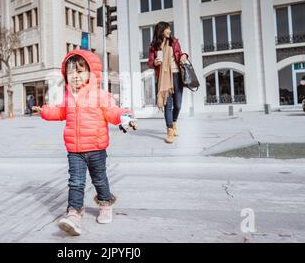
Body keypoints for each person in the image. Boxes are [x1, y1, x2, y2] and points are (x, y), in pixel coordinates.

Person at [32, 49, 137, 236]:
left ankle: (105, 205)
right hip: (74, 150)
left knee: (99, 179)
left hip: (96, 148)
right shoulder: (67, 96)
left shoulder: (100, 95)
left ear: (91, 73)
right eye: (70, 72)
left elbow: (112, 112)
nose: (75, 76)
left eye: (79, 71)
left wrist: (124, 116)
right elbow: (60, 112)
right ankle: (74, 213)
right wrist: (44, 112)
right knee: (76, 182)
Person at [148, 22, 189, 144]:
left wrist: (184, 55)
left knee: (178, 105)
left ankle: (174, 122)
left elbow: (180, 53)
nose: (169, 31)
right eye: (167, 29)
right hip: (163, 78)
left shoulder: (174, 42)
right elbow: (150, 62)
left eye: (169, 29)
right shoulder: (154, 46)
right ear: (161, 30)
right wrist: (154, 62)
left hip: (176, 75)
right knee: (168, 105)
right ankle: (170, 131)